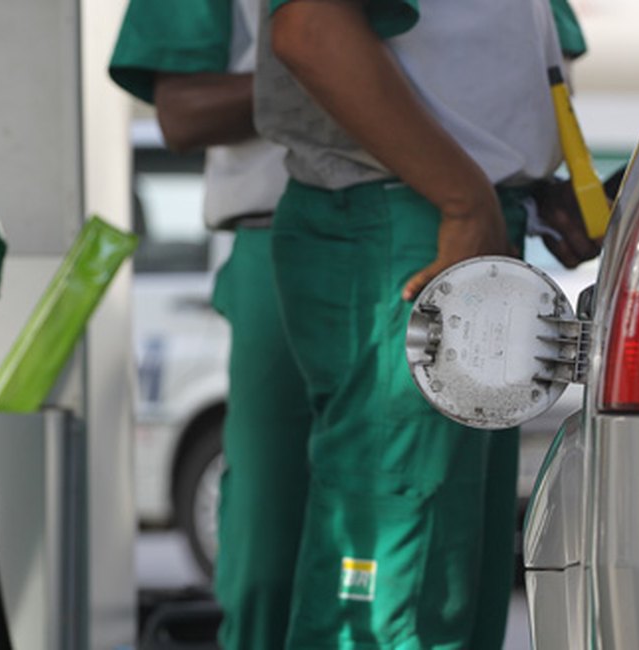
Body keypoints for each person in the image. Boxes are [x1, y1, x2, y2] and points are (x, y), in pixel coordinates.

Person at [253, 0, 599, 646]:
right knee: (394, 591)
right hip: (412, 214)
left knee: (449, 584)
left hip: (458, 212)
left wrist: (524, 185)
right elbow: (310, 24)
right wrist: (464, 195)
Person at [109, 3, 313, 649]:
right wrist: (346, 77)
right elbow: (183, 110)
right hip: (288, 230)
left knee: (434, 536)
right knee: (275, 528)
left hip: (466, 235)